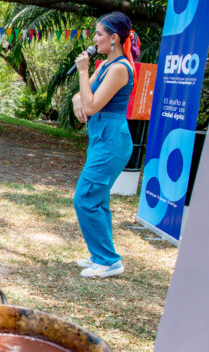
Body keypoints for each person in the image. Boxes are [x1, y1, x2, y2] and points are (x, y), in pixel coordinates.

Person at [71, 12, 139, 278]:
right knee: (97, 199)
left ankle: (109, 260)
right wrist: (78, 94)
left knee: (85, 198)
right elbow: (84, 95)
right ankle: (101, 255)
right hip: (100, 137)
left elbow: (92, 104)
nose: (95, 38)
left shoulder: (121, 68)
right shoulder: (104, 66)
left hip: (112, 141)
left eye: (99, 34)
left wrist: (83, 72)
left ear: (115, 38)